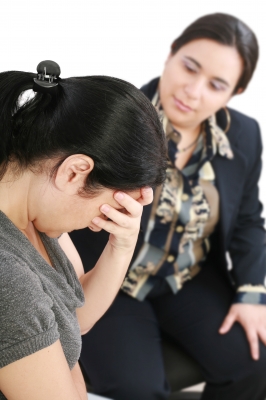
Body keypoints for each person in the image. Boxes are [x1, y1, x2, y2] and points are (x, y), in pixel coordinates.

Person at [70, 13, 266, 400]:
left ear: (235, 93)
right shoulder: (115, 118)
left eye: (216, 85)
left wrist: (251, 293)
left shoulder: (244, 135)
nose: (192, 91)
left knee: (255, 362)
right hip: (109, 278)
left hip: (186, 277)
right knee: (137, 388)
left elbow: (246, 220)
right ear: (171, 54)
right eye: (189, 67)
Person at [0, 61, 167, 400]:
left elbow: (72, 319)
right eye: (108, 205)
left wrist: (122, 244)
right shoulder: (10, 278)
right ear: (75, 172)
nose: (98, 222)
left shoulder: (33, 210)